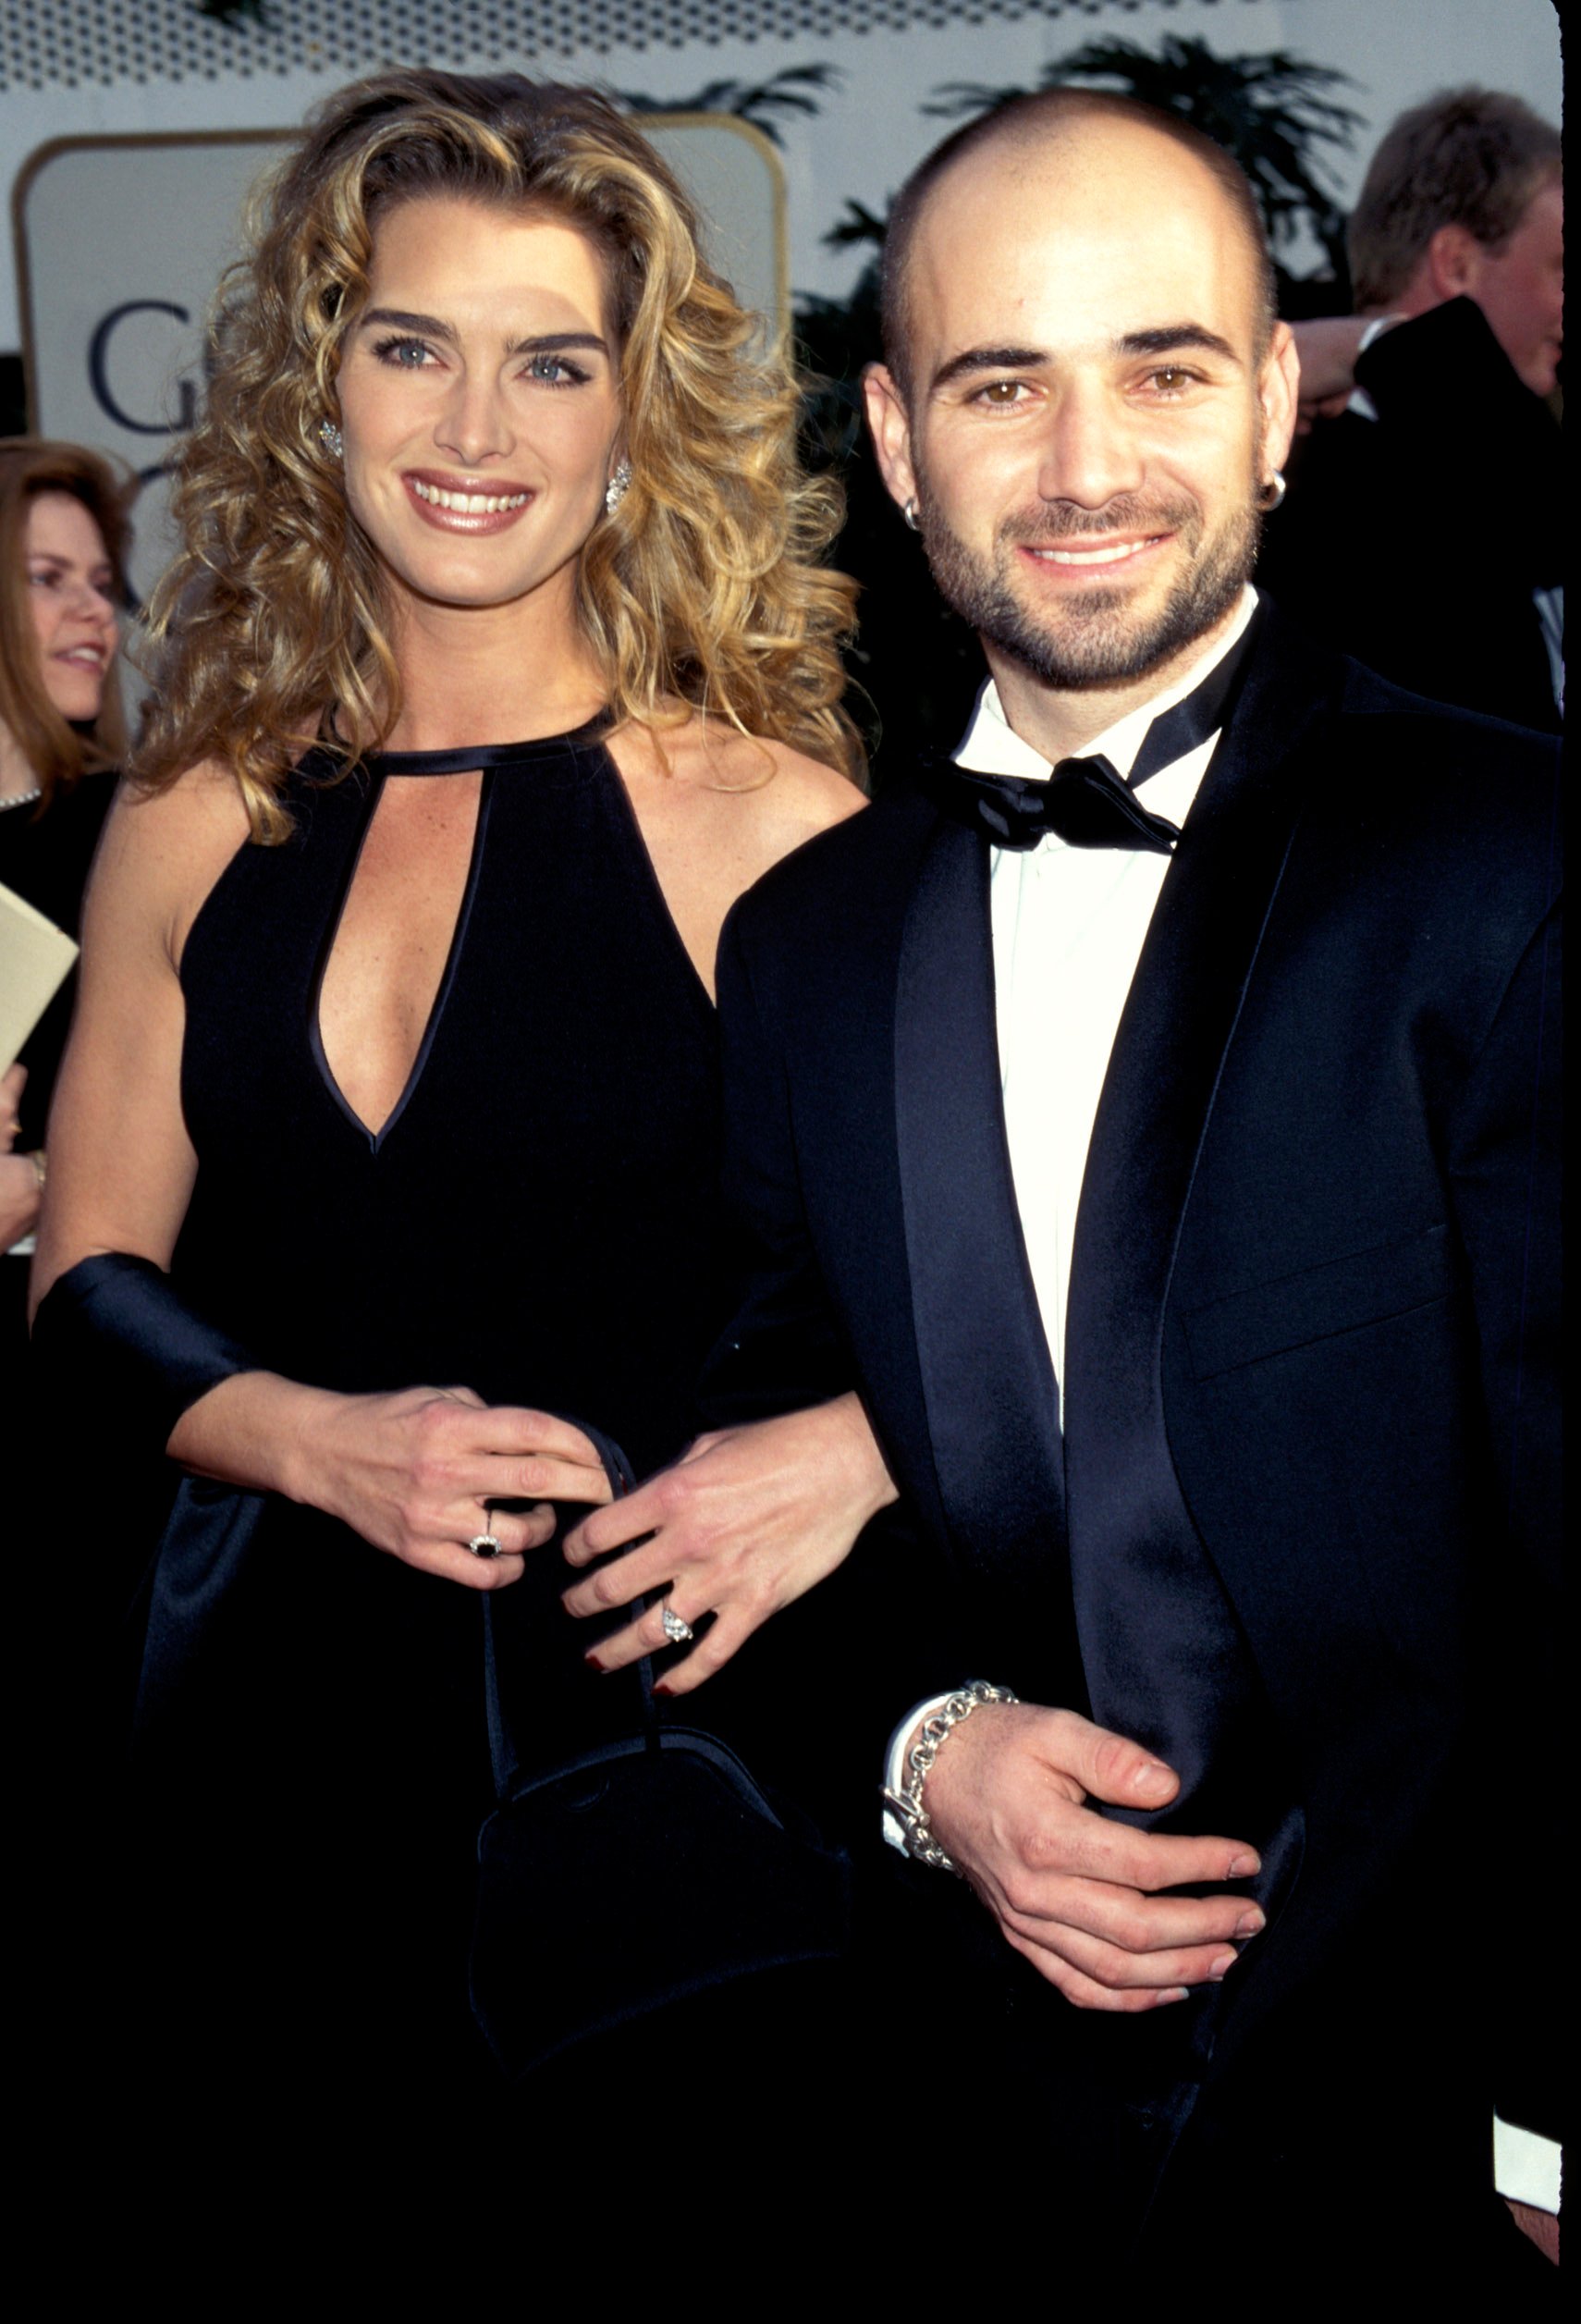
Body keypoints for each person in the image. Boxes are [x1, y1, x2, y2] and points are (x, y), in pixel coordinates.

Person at [568, 92, 1561, 2282]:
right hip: (951, 2146)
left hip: (1424, 2141)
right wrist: (936, 1754)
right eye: (1005, 384)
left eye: (1163, 369)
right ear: (901, 441)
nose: (1088, 465)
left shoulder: (1509, 862)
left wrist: (1552, 2125)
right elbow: (765, 1491)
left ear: (1281, 410)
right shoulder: (810, 950)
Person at [30, 68, 868, 2175]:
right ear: (324, 386)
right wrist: (320, 1436)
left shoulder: (773, 831)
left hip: (642, 1768)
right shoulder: (192, 809)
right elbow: (82, 1285)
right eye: (413, 348)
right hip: (247, 1760)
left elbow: (1021, 1308)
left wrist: (846, 1456)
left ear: (629, 420)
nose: (474, 433)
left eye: (547, 363)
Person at [1260, 88, 1563, 731]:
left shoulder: (1504, 460)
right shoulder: (1310, 490)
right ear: (1455, 262)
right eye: (1561, 267)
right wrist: (1379, 346)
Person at [0, 439, 129, 1389]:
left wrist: (41, 1183)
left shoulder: (134, 835)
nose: (94, 610)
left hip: (77, 1362)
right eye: (49, 579)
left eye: (100, 581)